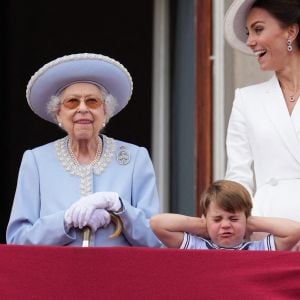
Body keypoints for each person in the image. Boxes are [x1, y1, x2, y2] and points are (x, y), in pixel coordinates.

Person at [6, 53, 162, 247]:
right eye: (72, 102)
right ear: (58, 114)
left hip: (120, 274)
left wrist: (120, 208)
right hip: (56, 275)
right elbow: (17, 240)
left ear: (105, 112)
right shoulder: (36, 161)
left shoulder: (135, 158)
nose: (82, 109)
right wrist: (65, 220)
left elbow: (155, 240)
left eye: (92, 102)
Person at [223, 0, 300, 248]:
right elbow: (238, 176)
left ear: (291, 31)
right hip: (270, 232)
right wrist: (236, 220)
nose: (250, 41)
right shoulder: (247, 100)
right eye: (248, 33)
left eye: (258, 29)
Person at [150, 180, 300, 250]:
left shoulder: (258, 249)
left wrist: (251, 223)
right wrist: (203, 226)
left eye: (234, 219)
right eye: (217, 219)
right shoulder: (197, 247)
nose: (226, 225)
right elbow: (157, 223)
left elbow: (295, 231)